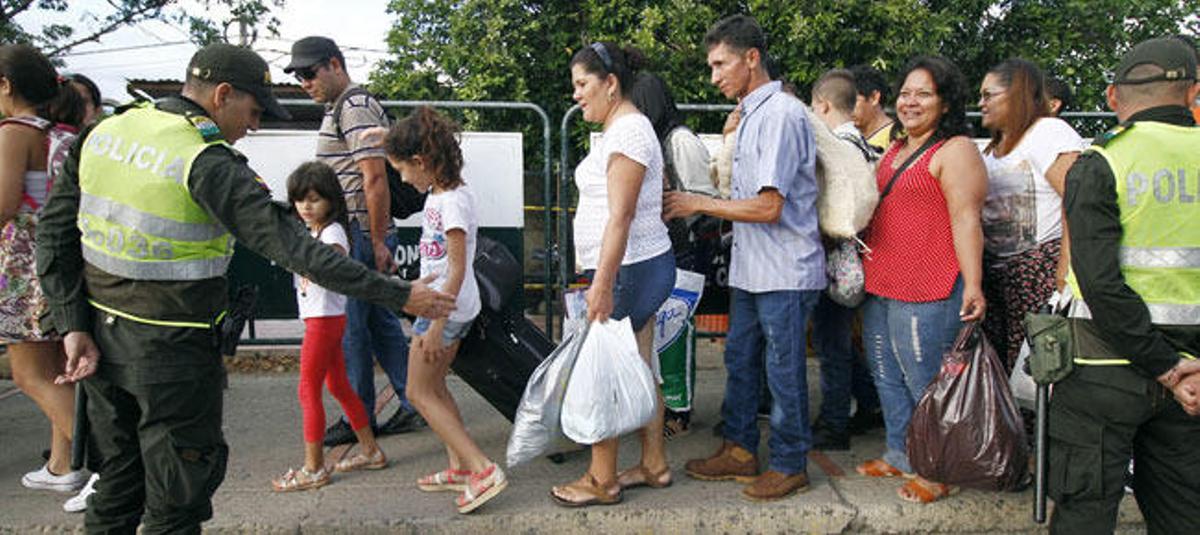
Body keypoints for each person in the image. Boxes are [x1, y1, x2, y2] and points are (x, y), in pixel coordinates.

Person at [35, 43, 455, 534]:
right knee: (177, 500)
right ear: (223, 94)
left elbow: (55, 234)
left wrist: (71, 324)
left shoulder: (104, 133)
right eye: (253, 112)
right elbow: (294, 246)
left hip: (100, 346)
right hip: (172, 355)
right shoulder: (204, 158)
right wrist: (398, 294)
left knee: (117, 485)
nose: (253, 126)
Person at [668, 15, 823, 502]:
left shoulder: (780, 113)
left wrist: (697, 203)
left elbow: (769, 206)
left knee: (782, 370)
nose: (714, 76)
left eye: (720, 64)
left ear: (751, 58)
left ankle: (789, 462)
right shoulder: (753, 113)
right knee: (740, 360)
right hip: (755, 269)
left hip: (785, 270)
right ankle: (738, 450)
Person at [1049, 37, 1200, 535]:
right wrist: (1184, 370)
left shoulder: (1102, 162)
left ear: (1113, 97)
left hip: (1102, 368)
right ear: (1193, 92)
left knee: (1085, 511)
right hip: (1195, 375)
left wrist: (1164, 366)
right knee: (1185, 511)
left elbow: (1099, 283)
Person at [852, 55, 987, 504]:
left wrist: (973, 283)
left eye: (923, 94)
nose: (910, 102)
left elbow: (967, 218)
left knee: (924, 379)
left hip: (930, 282)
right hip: (883, 279)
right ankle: (900, 452)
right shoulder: (896, 147)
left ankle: (937, 467)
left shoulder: (956, 150)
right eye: (905, 92)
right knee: (885, 374)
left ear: (946, 103)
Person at [549, 41, 676, 507]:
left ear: (611, 83)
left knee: (603, 370)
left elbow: (620, 216)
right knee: (640, 367)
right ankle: (655, 463)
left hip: (627, 270)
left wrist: (600, 285)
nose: (577, 95)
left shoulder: (627, 133)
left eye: (583, 84)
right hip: (636, 265)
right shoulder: (627, 129)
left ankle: (602, 479)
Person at [285, 36, 424, 446]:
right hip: (362, 234)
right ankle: (415, 399)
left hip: (358, 235)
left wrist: (378, 241)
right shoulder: (343, 106)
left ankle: (359, 416)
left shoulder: (354, 105)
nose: (304, 82)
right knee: (381, 326)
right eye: (298, 77)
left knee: (352, 330)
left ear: (334, 64)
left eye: (310, 73)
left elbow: (374, 177)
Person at [381, 106, 508, 514]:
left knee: (418, 391)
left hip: (444, 309)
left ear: (421, 162)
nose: (402, 179)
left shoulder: (451, 202)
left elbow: (456, 269)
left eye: (401, 170)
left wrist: (435, 325)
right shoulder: (442, 193)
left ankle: (482, 468)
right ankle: (459, 469)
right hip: (443, 307)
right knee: (434, 388)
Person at [1, 43, 87, 501]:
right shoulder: (64, 134)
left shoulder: (15, 130)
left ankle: (107, 466)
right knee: (58, 370)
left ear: (6, 85)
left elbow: (3, 203)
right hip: (62, 262)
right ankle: (64, 465)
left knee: (28, 373)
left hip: (22, 266)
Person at [272, 161, 388, 493]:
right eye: (300, 200)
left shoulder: (332, 232)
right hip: (325, 318)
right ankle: (370, 451)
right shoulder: (312, 231)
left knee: (308, 390)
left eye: (314, 199)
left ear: (331, 200)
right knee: (338, 386)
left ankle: (313, 468)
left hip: (324, 321)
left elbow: (333, 259)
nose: (306, 206)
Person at [978, 58, 1084, 371]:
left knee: (1034, 372)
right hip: (998, 275)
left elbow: (1078, 200)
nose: (981, 103)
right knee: (1002, 371)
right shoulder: (995, 145)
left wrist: (1063, 274)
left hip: (1038, 273)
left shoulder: (1049, 132)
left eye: (989, 95)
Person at [629, 71, 715, 439]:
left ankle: (679, 410)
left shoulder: (679, 141)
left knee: (677, 332)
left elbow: (704, 200)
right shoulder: (649, 141)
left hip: (685, 251)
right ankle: (655, 408)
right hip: (659, 249)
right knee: (658, 336)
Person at [806, 68, 882, 450]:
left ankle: (835, 422)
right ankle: (870, 402)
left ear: (821, 105)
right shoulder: (863, 142)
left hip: (837, 257)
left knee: (831, 342)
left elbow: (835, 207)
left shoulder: (837, 147)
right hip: (859, 256)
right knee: (842, 340)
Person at [849, 64, 898, 151]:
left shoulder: (896, 138)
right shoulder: (850, 137)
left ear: (874, 97)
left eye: (853, 100)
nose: (847, 108)